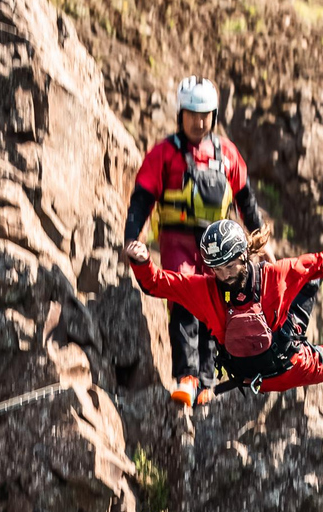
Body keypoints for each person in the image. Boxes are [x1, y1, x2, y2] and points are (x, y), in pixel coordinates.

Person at [125, 204, 323, 404]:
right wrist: (142, 262)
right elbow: (157, 284)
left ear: (244, 256)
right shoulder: (204, 288)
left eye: (229, 266)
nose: (223, 275)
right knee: (308, 283)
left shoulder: (277, 273)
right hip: (253, 379)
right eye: (216, 269)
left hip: (292, 367)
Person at [124, 75, 274, 406]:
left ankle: (207, 380)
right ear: (181, 114)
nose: (198, 121)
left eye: (205, 114)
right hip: (178, 241)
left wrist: (262, 243)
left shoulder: (227, 154)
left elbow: (247, 203)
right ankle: (186, 376)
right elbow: (142, 199)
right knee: (183, 299)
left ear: (214, 116)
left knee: (217, 306)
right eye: (191, 113)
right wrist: (132, 239)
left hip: (217, 247)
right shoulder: (164, 154)